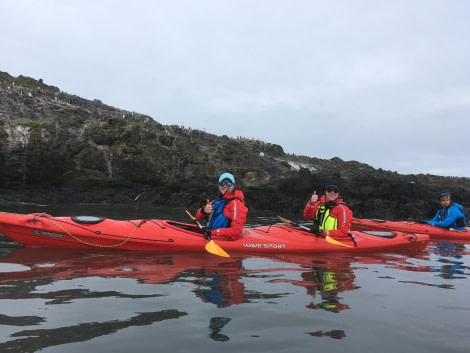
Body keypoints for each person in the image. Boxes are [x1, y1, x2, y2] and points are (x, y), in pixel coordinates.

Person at [196, 172, 248, 240]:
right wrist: (204, 211)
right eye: (222, 183)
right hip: (211, 234)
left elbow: (236, 231)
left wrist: (212, 233)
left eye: (228, 183)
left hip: (223, 239)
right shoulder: (216, 201)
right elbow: (198, 217)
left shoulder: (236, 204)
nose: (225, 186)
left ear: (233, 185)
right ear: (218, 185)